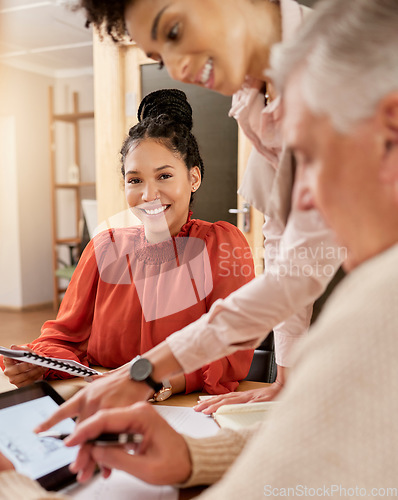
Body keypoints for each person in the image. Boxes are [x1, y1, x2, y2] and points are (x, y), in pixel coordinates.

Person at [2, 0, 398, 496]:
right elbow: (290, 273)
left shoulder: (377, 304)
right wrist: (184, 437)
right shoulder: (107, 244)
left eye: (311, 159)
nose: (302, 208)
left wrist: (19, 481)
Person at [0, 89, 255, 396]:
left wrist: (155, 381)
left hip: (181, 412)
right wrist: (39, 365)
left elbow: (229, 352)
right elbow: (62, 338)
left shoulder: (221, 245)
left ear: (194, 178)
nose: (148, 195)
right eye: (135, 180)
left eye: (164, 176)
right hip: (101, 404)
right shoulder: (104, 249)